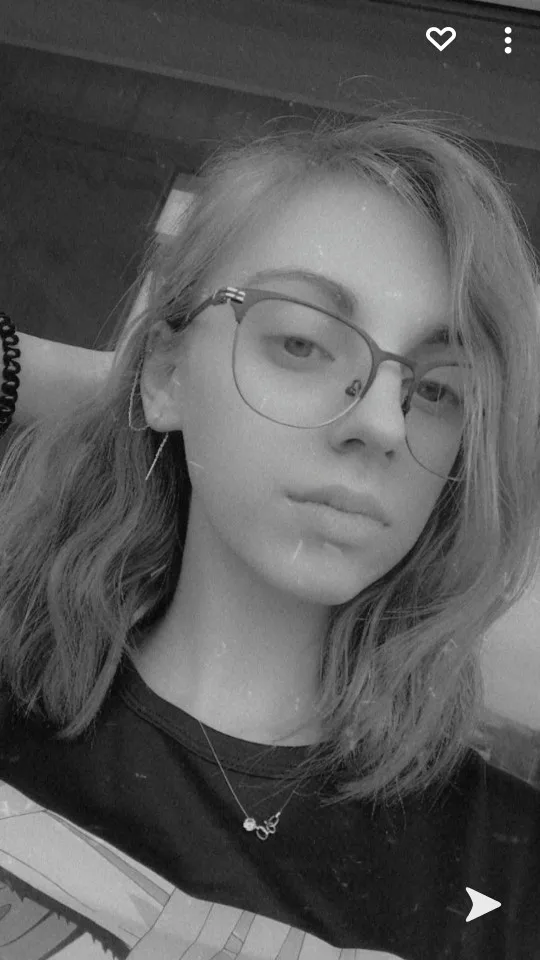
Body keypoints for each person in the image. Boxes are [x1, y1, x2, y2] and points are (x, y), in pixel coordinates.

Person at [0, 112, 538, 960]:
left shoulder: (512, 872)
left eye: (439, 391)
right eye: (301, 342)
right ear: (166, 371)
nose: (383, 424)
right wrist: (104, 392)